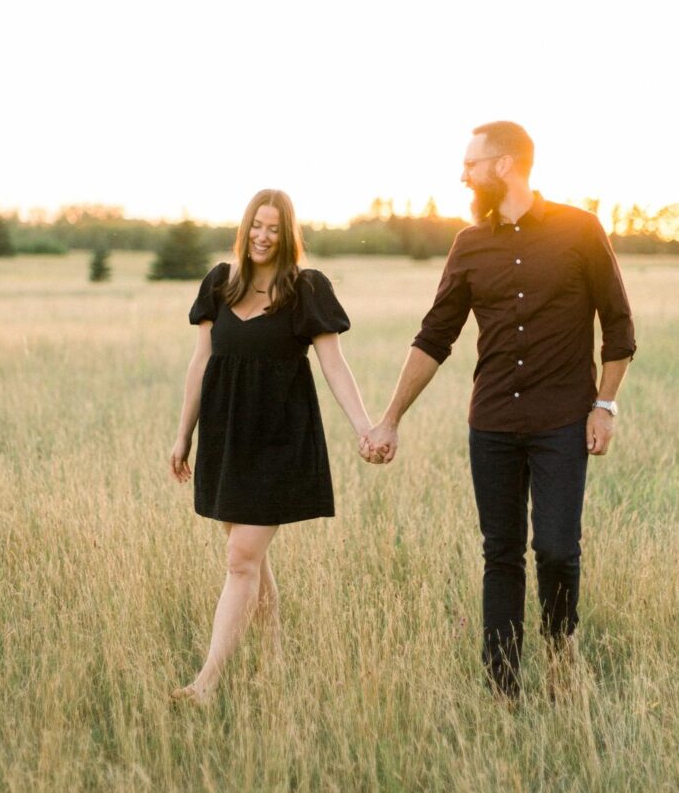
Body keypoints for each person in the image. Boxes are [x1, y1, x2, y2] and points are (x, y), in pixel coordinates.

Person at [364, 121, 636, 700]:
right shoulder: (469, 244)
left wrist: (604, 405)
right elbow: (435, 336)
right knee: (501, 553)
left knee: (558, 548)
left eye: (472, 163)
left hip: (562, 420)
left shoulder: (580, 231)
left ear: (507, 164)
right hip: (490, 425)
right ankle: (503, 687)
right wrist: (390, 418)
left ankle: (561, 655)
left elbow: (618, 327)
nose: (464, 173)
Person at [169, 189, 378, 704]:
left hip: (281, 439)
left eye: (274, 229)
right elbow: (201, 363)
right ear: (245, 229)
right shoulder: (220, 284)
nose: (263, 236)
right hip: (226, 437)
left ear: (288, 236)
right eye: (256, 226)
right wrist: (183, 434)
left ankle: (206, 684)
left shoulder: (306, 288)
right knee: (251, 560)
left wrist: (364, 427)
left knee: (241, 556)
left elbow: (334, 364)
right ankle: (276, 661)